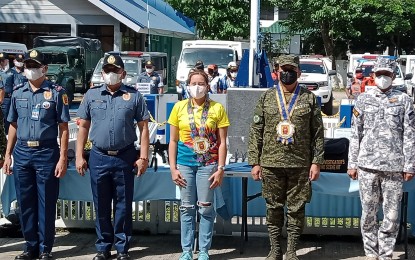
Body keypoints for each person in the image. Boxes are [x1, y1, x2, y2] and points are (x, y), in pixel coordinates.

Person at [248, 54, 324, 260]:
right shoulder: (267, 97)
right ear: (277, 72)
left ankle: (291, 251)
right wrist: (255, 162)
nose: (287, 73)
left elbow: (318, 132)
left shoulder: (309, 98)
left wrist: (316, 162)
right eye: (283, 69)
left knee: (296, 209)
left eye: (291, 70)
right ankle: (275, 249)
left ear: (298, 72)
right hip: (271, 163)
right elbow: (256, 130)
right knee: (273, 208)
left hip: (300, 163)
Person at [76, 54, 150, 260]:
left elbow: (144, 128)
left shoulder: (134, 96)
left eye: (115, 71)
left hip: (124, 156)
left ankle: (122, 247)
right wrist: (79, 155)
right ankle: (103, 247)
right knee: (100, 203)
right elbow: (83, 127)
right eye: (107, 71)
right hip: (98, 156)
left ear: (123, 74)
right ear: (102, 73)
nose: (111, 74)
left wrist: (143, 157)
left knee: (123, 204)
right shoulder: (91, 95)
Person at [3, 49, 70, 260]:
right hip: (23, 152)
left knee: (46, 202)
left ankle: (45, 248)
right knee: (25, 203)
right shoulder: (18, 91)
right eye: (28, 66)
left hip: (46, 151)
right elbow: (12, 125)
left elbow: (64, 128)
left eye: (35, 66)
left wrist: (62, 157)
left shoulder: (58, 92)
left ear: (45, 69)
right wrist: (8, 154)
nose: (31, 70)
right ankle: (29, 246)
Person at [347, 57, 415, 260]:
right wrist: (352, 163)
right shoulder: (363, 99)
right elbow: (355, 133)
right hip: (367, 166)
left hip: (394, 167)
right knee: (368, 213)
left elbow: (410, 134)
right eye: (380, 74)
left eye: (387, 74)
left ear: (394, 76)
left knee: (391, 215)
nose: (383, 78)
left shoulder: (404, 100)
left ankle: (385, 254)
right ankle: (370, 253)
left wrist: (410, 165)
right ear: (373, 76)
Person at [168, 70, 230, 260]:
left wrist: (220, 169)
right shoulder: (178, 107)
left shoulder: (217, 109)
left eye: (201, 83)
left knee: (205, 207)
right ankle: (186, 250)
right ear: (188, 85)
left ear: (207, 85)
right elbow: (172, 141)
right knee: (186, 208)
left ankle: (203, 250)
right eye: (193, 83)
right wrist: (173, 168)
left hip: (208, 165)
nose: (197, 87)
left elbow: (222, 143)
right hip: (185, 165)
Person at [0, 52, 14, 133]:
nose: (1, 62)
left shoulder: (12, 72)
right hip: (0, 98)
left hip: (8, 98)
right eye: (0, 61)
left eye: (3, 60)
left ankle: (7, 133)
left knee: (7, 117)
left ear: (7, 61)